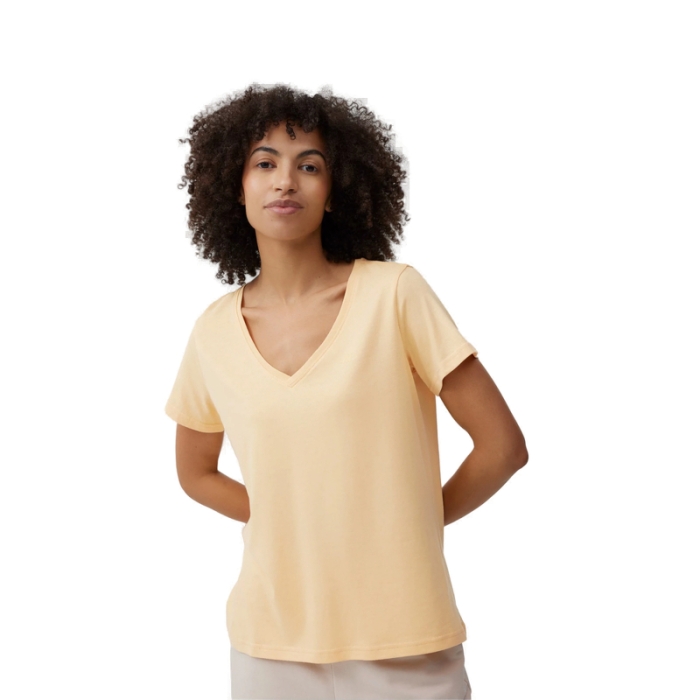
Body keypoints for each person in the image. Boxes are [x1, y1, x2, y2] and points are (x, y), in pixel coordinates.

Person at [165, 83, 528, 700]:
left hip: (406, 643)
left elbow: (502, 447)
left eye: (309, 166)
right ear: (235, 186)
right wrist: (291, 516)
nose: (286, 181)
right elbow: (194, 472)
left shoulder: (395, 294)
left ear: (336, 192)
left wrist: (402, 522)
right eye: (264, 163)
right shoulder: (213, 332)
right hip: (269, 646)